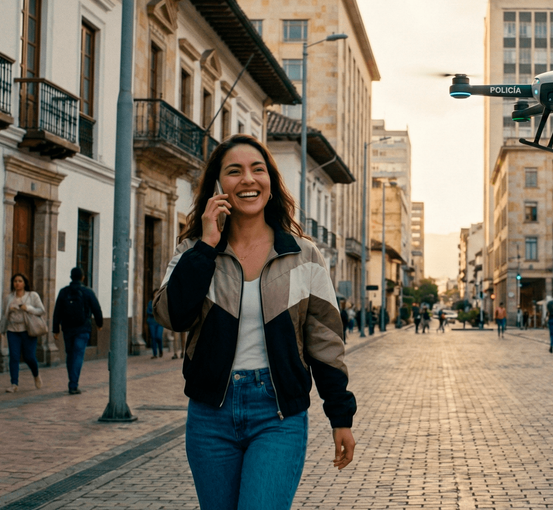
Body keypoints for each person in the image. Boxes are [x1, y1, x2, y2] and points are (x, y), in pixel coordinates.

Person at [152, 135, 355, 510]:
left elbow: (325, 342)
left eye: (257, 169)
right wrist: (207, 245)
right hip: (210, 415)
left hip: (277, 415)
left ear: (270, 182)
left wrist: (340, 415)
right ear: (218, 185)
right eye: (234, 171)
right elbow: (171, 316)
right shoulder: (193, 251)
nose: (248, 179)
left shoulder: (303, 255)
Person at [52, 267, 103, 395]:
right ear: (83, 277)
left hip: (68, 328)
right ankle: (73, 384)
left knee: (70, 354)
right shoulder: (87, 292)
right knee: (78, 355)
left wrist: (55, 329)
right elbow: (96, 308)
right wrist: (99, 323)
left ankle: (72, 381)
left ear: (71, 277)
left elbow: (57, 311)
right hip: (83, 328)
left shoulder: (64, 292)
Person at [0, 273, 45, 392]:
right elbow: (4, 315)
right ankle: (14, 384)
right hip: (12, 331)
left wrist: (27, 308)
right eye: (15, 281)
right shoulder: (9, 298)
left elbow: (41, 310)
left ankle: (36, 374)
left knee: (29, 357)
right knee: (14, 357)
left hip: (28, 330)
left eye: (20, 281)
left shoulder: (32, 296)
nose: (17, 283)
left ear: (24, 283)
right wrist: (0, 330)